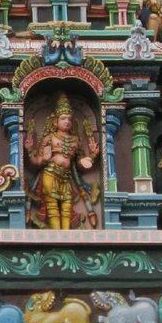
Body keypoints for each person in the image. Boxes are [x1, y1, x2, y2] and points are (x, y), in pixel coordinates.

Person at [27, 93, 100, 230]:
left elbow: (80, 163)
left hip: (66, 177)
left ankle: (66, 235)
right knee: (52, 205)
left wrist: (93, 156)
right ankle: (56, 235)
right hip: (50, 173)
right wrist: (33, 152)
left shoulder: (75, 140)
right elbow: (36, 161)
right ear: (55, 121)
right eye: (63, 118)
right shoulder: (49, 138)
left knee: (67, 205)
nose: (67, 121)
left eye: (69, 119)